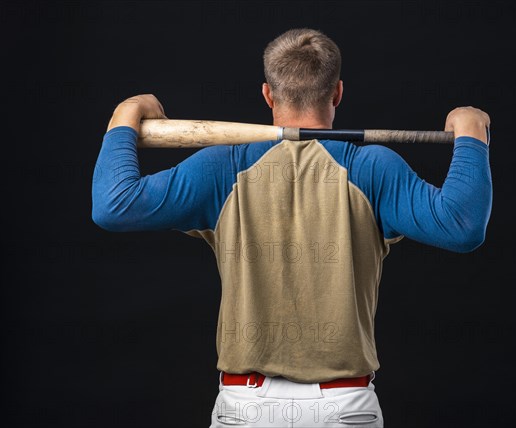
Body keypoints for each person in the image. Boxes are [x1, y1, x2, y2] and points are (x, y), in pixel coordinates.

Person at [92, 28, 492, 427]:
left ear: (268, 94)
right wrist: (472, 134)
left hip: (244, 409)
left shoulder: (221, 168)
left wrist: (127, 113)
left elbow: (113, 205)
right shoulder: (371, 169)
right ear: (337, 92)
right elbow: (462, 225)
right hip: (344, 408)